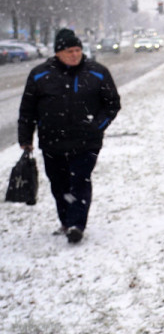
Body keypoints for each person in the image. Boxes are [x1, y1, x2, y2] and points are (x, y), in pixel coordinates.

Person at [17, 28, 121, 244]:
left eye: (77, 50)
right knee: (59, 183)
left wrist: (97, 126)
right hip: (52, 141)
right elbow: (28, 110)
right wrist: (25, 139)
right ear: (57, 53)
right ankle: (65, 220)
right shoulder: (39, 75)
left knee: (79, 181)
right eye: (69, 51)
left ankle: (76, 224)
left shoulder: (97, 72)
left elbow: (112, 104)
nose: (74, 55)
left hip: (86, 142)